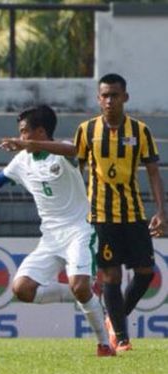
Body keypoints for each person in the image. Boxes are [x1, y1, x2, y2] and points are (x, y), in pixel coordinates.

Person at [0, 105, 114, 356]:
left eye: (25, 132)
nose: (21, 137)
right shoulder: (22, 161)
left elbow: (78, 150)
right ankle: (85, 296)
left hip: (79, 230)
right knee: (22, 290)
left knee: (80, 286)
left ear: (40, 131)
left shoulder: (63, 152)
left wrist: (34, 146)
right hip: (50, 238)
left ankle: (104, 344)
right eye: (20, 133)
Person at [74, 73, 165, 352]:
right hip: (101, 215)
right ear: (98, 99)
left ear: (125, 97)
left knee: (146, 272)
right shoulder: (87, 131)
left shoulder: (140, 131)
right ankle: (122, 339)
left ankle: (115, 320)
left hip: (134, 213)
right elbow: (75, 171)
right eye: (105, 95)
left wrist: (161, 210)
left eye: (115, 95)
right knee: (111, 277)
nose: (110, 100)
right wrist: (76, 212)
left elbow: (152, 171)